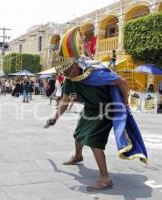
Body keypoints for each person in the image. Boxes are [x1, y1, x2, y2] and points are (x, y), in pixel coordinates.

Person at [45, 27, 148, 191]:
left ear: (75, 64)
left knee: (94, 141)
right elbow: (65, 100)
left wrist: (124, 101)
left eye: (65, 68)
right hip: (91, 109)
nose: (63, 72)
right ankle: (78, 156)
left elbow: (121, 81)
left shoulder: (95, 73)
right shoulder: (71, 79)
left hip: (106, 109)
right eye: (62, 69)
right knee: (78, 134)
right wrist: (55, 117)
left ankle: (106, 179)